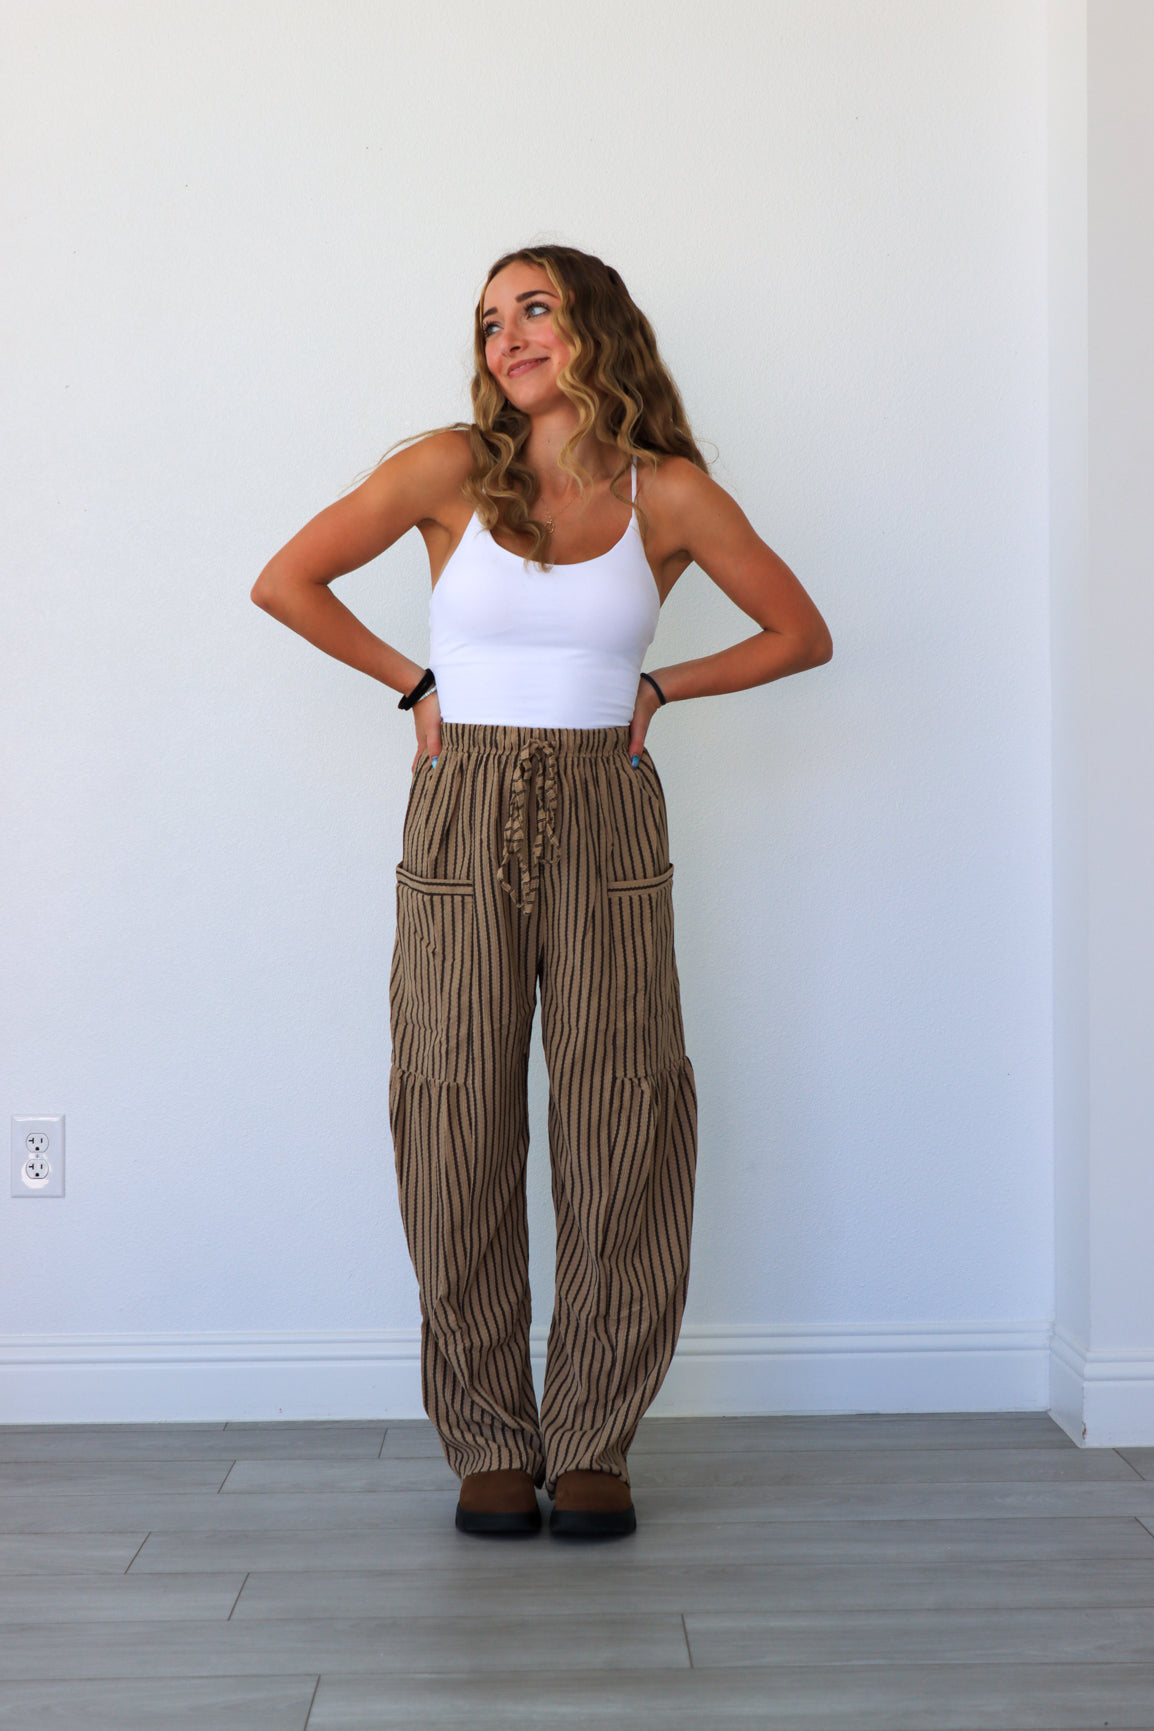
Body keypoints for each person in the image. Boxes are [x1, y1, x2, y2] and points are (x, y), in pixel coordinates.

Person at [252, 243, 832, 1539]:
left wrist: (662, 686)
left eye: (535, 311)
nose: (507, 337)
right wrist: (414, 686)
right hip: (460, 807)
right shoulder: (447, 471)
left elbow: (800, 632)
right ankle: (486, 1437)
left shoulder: (666, 492)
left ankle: (592, 1440)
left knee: (620, 1110)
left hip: (606, 810)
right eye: (488, 320)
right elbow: (284, 580)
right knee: (453, 1105)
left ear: (596, 330)